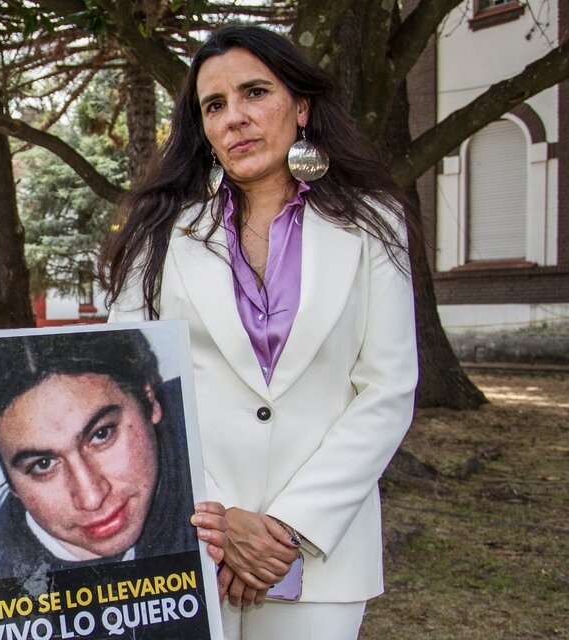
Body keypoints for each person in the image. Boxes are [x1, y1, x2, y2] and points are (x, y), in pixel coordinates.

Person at [100, 24, 418, 640]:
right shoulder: (161, 232)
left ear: (300, 106)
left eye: (254, 93)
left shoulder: (375, 223)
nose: (234, 118)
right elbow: (130, 377)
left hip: (322, 553)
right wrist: (222, 524)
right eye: (214, 106)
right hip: (188, 543)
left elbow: (386, 389)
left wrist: (286, 530)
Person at [0, 329, 198, 580]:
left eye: (102, 434)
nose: (91, 497)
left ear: (150, 399)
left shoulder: (214, 425)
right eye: (43, 464)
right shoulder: (16, 608)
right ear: (11, 482)